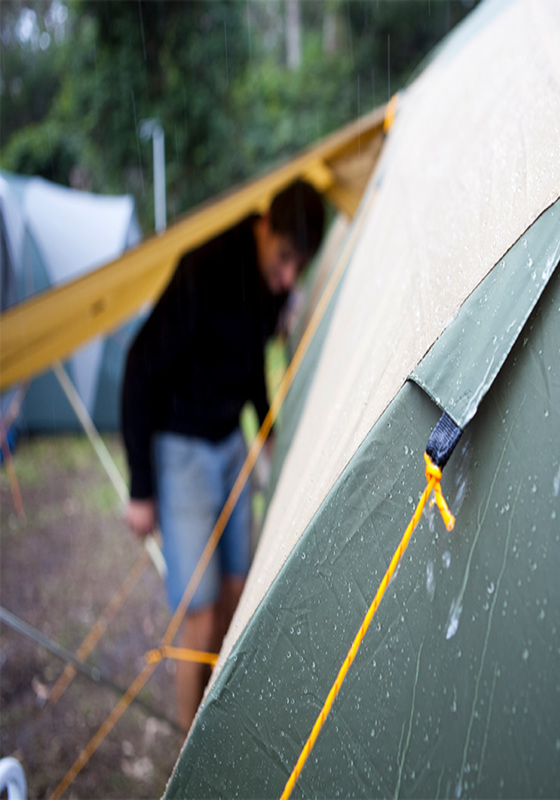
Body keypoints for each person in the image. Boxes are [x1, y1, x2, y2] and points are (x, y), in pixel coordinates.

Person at [121, 179, 324, 730]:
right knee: (201, 612)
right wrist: (141, 489)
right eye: (283, 258)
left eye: (297, 267)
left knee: (238, 589)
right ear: (263, 227)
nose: (287, 278)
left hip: (230, 444)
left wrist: (266, 427)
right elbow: (137, 371)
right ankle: (192, 754)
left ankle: (222, 724)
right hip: (181, 449)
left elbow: (253, 358)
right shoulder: (202, 270)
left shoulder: (274, 286)